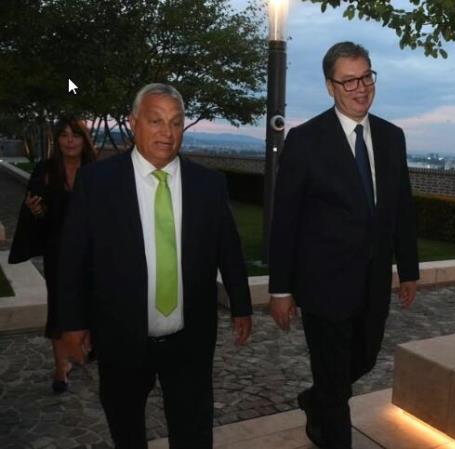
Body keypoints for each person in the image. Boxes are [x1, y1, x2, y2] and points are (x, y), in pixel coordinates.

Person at [56, 83, 252, 449]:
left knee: (193, 429)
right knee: (126, 426)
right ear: (134, 123)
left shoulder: (208, 184)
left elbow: (229, 248)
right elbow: (72, 258)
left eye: (176, 122)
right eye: (156, 121)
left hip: (190, 337)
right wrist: (72, 322)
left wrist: (241, 305)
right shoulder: (98, 182)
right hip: (121, 337)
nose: (167, 132)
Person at [268, 41, 420, 449]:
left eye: (366, 77)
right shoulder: (305, 140)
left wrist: (408, 269)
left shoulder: (392, 137)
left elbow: (402, 208)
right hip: (322, 286)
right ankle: (331, 420)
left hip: (373, 283)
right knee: (336, 382)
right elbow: (285, 220)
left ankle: (316, 398)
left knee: (364, 359)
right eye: (349, 80)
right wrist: (280, 289)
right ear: (330, 87)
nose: (361, 88)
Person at [9, 116, 98, 393]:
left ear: (84, 140)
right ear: (56, 140)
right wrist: (36, 210)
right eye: (64, 135)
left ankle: (82, 347)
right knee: (60, 308)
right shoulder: (45, 170)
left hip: (91, 254)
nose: (69, 141)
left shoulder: (96, 171)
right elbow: (39, 215)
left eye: (75, 135)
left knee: (90, 304)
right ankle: (61, 368)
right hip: (58, 253)